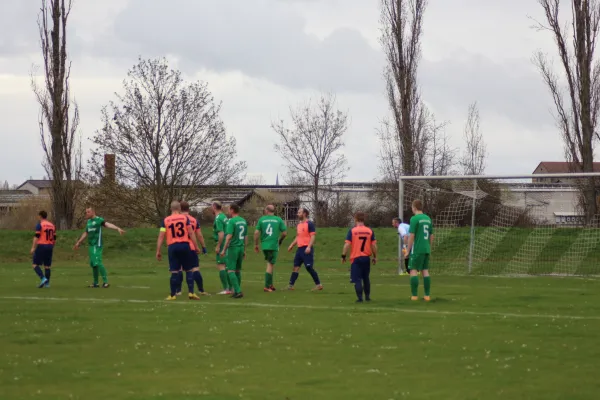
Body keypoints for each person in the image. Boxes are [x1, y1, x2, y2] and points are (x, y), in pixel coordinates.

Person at [156, 201, 202, 301]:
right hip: (185, 245)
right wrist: (196, 246)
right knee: (189, 269)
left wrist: (158, 250)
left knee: (174, 271)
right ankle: (191, 292)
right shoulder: (185, 218)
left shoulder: (166, 220)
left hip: (172, 246)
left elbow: (161, 236)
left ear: (170, 209)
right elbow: (190, 232)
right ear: (180, 209)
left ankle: (173, 295)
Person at [74, 207, 125, 288]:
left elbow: (107, 224)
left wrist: (117, 228)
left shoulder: (99, 220)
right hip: (91, 245)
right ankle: (95, 283)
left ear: (93, 212)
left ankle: (105, 282)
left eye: (88, 212)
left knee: (97, 262)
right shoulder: (89, 222)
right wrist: (79, 242)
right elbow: (86, 233)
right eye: (86, 212)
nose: (86, 213)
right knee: (93, 264)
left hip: (97, 245)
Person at [342, 212, 377, 303]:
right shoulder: (369, 231)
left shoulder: (352, 231)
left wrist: (343, 255)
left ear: (355, 219)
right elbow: (374, 245)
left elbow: (347, 245)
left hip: (356, 258)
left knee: (357, 279)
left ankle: (360, 298)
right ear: (364, 219)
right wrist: (375, 256)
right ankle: (368, 297)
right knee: (366, 278)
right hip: (366, 258)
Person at [287, 208, 323, 291]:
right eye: (298, 212)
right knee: (296, 267)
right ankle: (291, 285)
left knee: (309, 268)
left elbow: (313, 236)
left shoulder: (309, 224)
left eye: (299, 212)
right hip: (299, 249)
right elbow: (298, 236)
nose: (297, 214)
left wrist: (309, 247)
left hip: (307, 248)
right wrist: (292, 245)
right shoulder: (299, 225)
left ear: (304, 214)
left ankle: (318, 285)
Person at [254, 204, 287, 292]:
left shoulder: (262, 219)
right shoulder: (278, 219)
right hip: (273, 245)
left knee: (270, 263)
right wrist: (280, 240)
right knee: (270, 264)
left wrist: (256, 245)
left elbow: (256, 233)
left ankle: (271, 284)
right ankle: (267, 286)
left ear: (267, 211)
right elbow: (284, 233)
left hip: (264, 245)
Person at [406, 199, 434, 301]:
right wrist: (429, 247)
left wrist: (408, 250)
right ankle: (427, 296)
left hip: (417, 249)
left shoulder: (414, 219)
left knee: (413, 270)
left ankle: (414, 296)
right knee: (425, 271)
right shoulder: (427, 218)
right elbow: (431, 235)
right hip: (426, 248)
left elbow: (412, 235)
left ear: (414, 207)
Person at [180, 201, 208, 296]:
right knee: (195, 268)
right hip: (191, 247)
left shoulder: (177, 219)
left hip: (179, 246)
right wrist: (203, 246)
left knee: (178, 269)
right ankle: (201, 290)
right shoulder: (194, 220)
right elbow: (199, 235)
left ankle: (178, 291)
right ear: (189, 209)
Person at [220, 203, 247, 298]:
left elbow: (229, 236)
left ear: (232, 210)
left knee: (230, 270)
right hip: (240, 247)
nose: (228, 211)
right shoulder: (243, 221)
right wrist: (244, 250)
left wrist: (223, 249)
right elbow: (245, 236)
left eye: (229, 209)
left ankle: (238, 291)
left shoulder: (231, 221)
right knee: (238, 270)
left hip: (233, 248)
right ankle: (236, 290)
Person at [30, 210, 55, 288]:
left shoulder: (40, 225)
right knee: (47, 266)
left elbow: (36, 236)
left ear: (40, 216)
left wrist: (33, 248)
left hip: (42, 245)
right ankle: (47, 284)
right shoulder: (52, 225)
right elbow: (54, 238)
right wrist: (52, 246)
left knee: (35, 264)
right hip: (50, 246)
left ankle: (43, 278)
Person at [212, 201, 232, 295]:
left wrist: (218, 246)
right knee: (227, 266)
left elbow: (221, 233)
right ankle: (231, 288)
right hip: (228, 243)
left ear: (215, 207)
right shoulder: (224, 217)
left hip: (223, 243)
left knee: (221, 265)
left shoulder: (218, 218)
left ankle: (226, 288)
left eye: (212, 206)